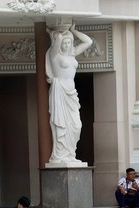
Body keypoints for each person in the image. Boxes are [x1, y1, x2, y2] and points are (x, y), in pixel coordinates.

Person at [45, 24, 92, 164]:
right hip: (60, 92)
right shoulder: (55, 55)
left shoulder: (72, 54)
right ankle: (60, 155)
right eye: (64, 43)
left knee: (76, 125)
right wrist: (57, 32)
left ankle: (71, 153)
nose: (66, 45)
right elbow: (58, 39)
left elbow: (88, 42)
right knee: (62, 124)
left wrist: (73, 31)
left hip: (71, 93)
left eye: (68, 42)